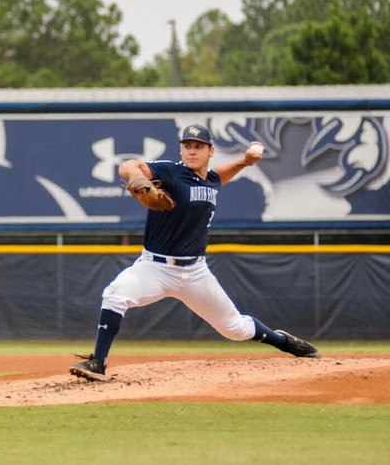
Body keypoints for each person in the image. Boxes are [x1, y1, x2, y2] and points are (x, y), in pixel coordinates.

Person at [70, 124, 320, 381]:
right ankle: (98, 363)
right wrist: (137, 176)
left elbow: (218, 177)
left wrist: (244, 162)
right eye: (187, 146)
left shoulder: (211, 179)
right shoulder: (171, 172)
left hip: (195, 272)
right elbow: (129, 165)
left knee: (234, 328)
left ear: (210, 151)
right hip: (154, 268)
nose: (191, 151)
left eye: (198, 146)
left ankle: (284, 342)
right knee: (114, 294)